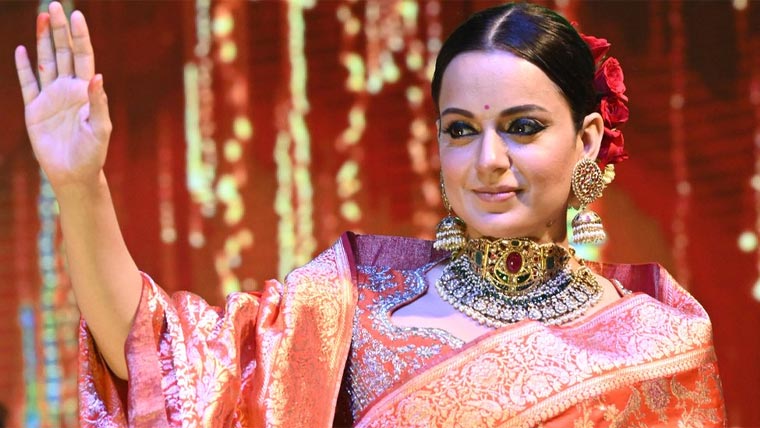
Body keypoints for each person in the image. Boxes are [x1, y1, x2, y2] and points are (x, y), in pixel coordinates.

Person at [15, 2, 725, 427]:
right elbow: (156, 355)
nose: (487, 159)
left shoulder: (656, 343)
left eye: (523, 127)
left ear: (588, 140)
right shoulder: (356, 306)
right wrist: (79, 184)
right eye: (460, 130)